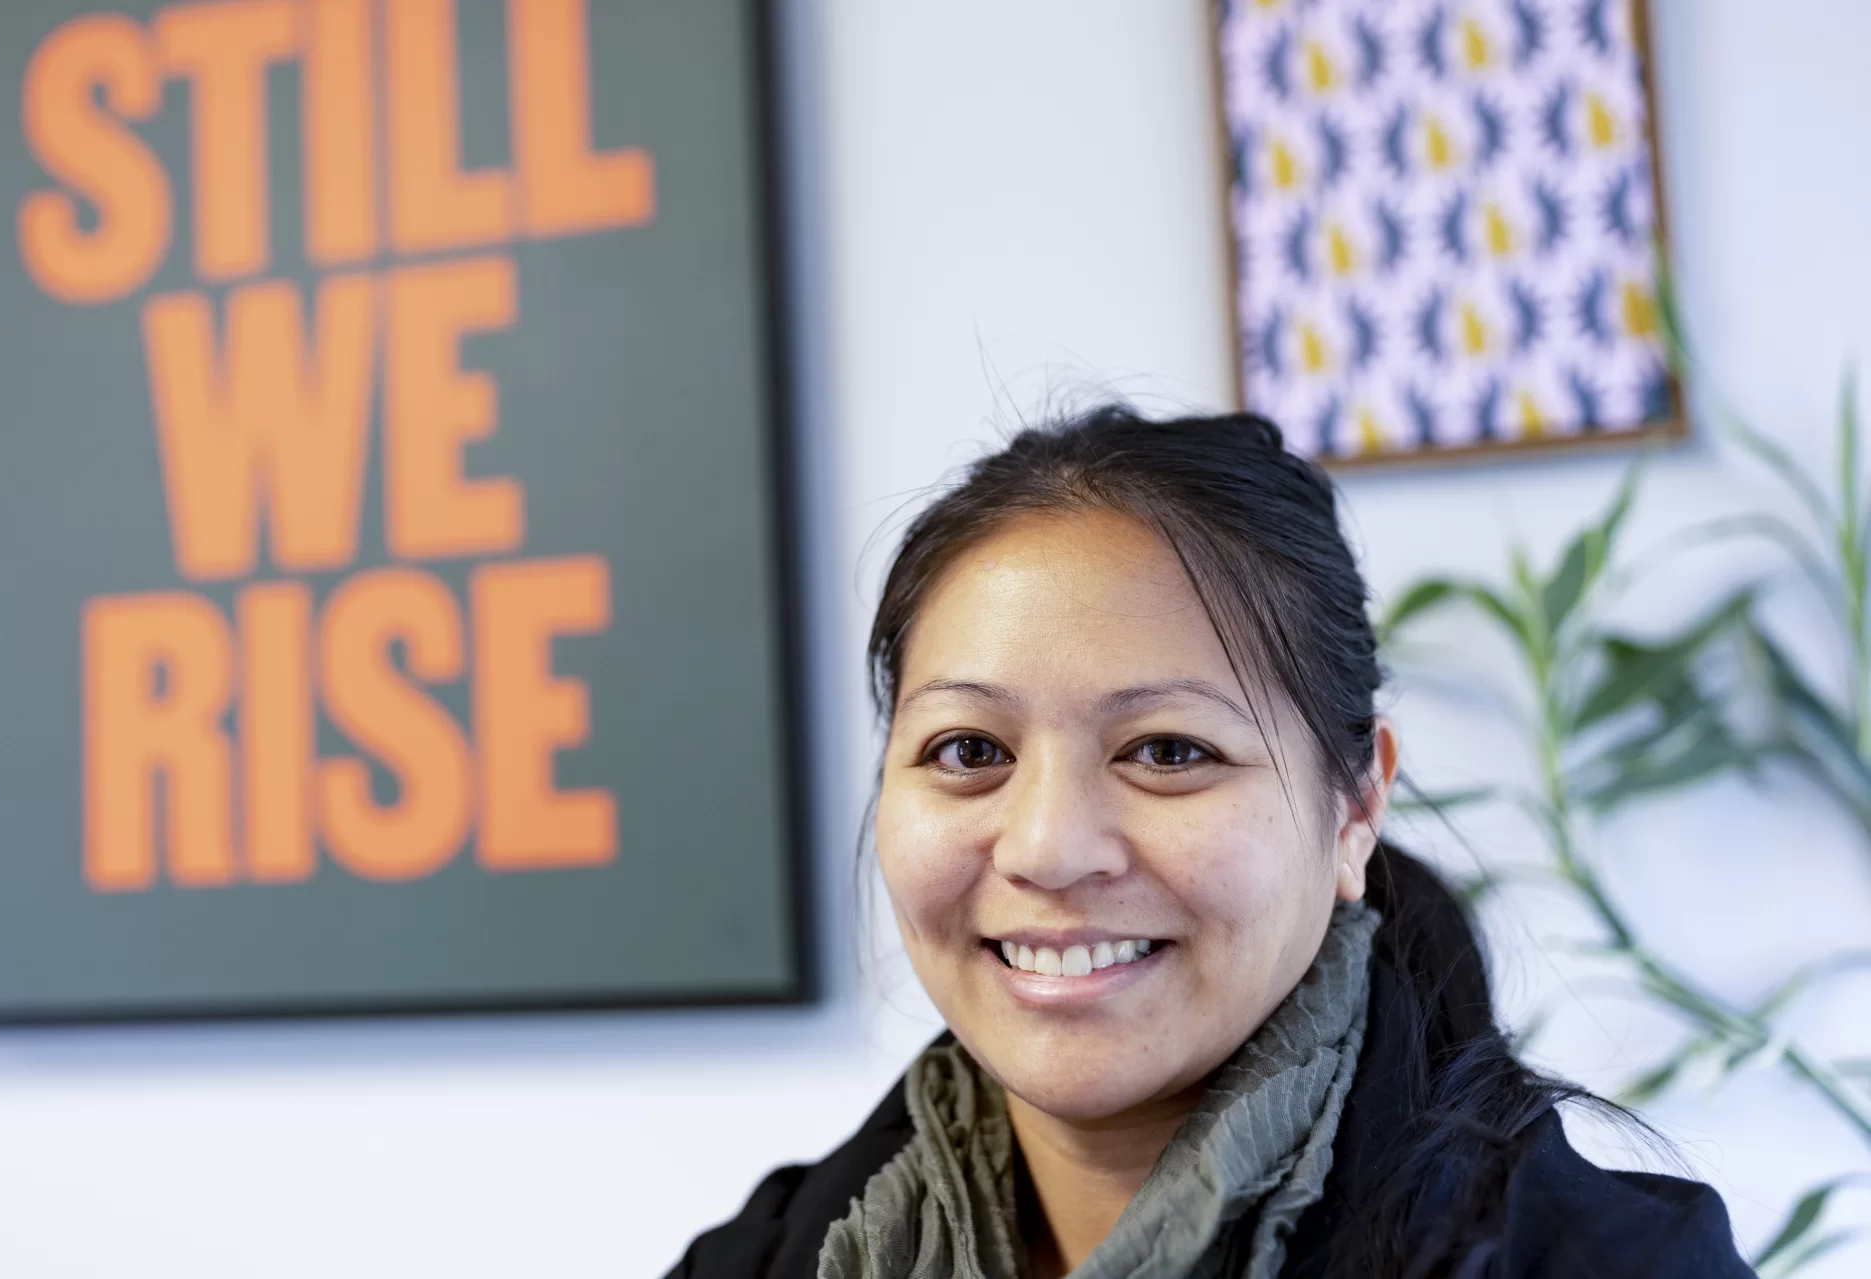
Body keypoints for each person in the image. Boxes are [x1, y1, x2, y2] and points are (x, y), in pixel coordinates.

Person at [669, 409, 1754, 1279]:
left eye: (1168, 750)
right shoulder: (772, 1256)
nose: (1047, 847)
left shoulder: (1605, 1260)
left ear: (1353, 803)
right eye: (966, 749)